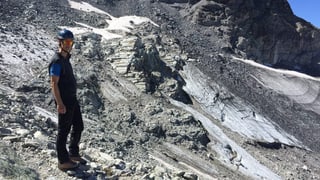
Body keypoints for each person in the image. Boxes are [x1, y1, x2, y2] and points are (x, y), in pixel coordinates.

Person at [49, 29, 86, 171]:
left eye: (71, 42)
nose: (69, 45)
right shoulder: (57, 61)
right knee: (63, 131)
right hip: (64, 101)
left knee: (78, 126)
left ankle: (73, 153)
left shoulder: (65, 59)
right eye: (66, 42)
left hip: (72, 100)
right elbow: (53, 83)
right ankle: (63, 161)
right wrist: (59, 103)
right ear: (60, 42)